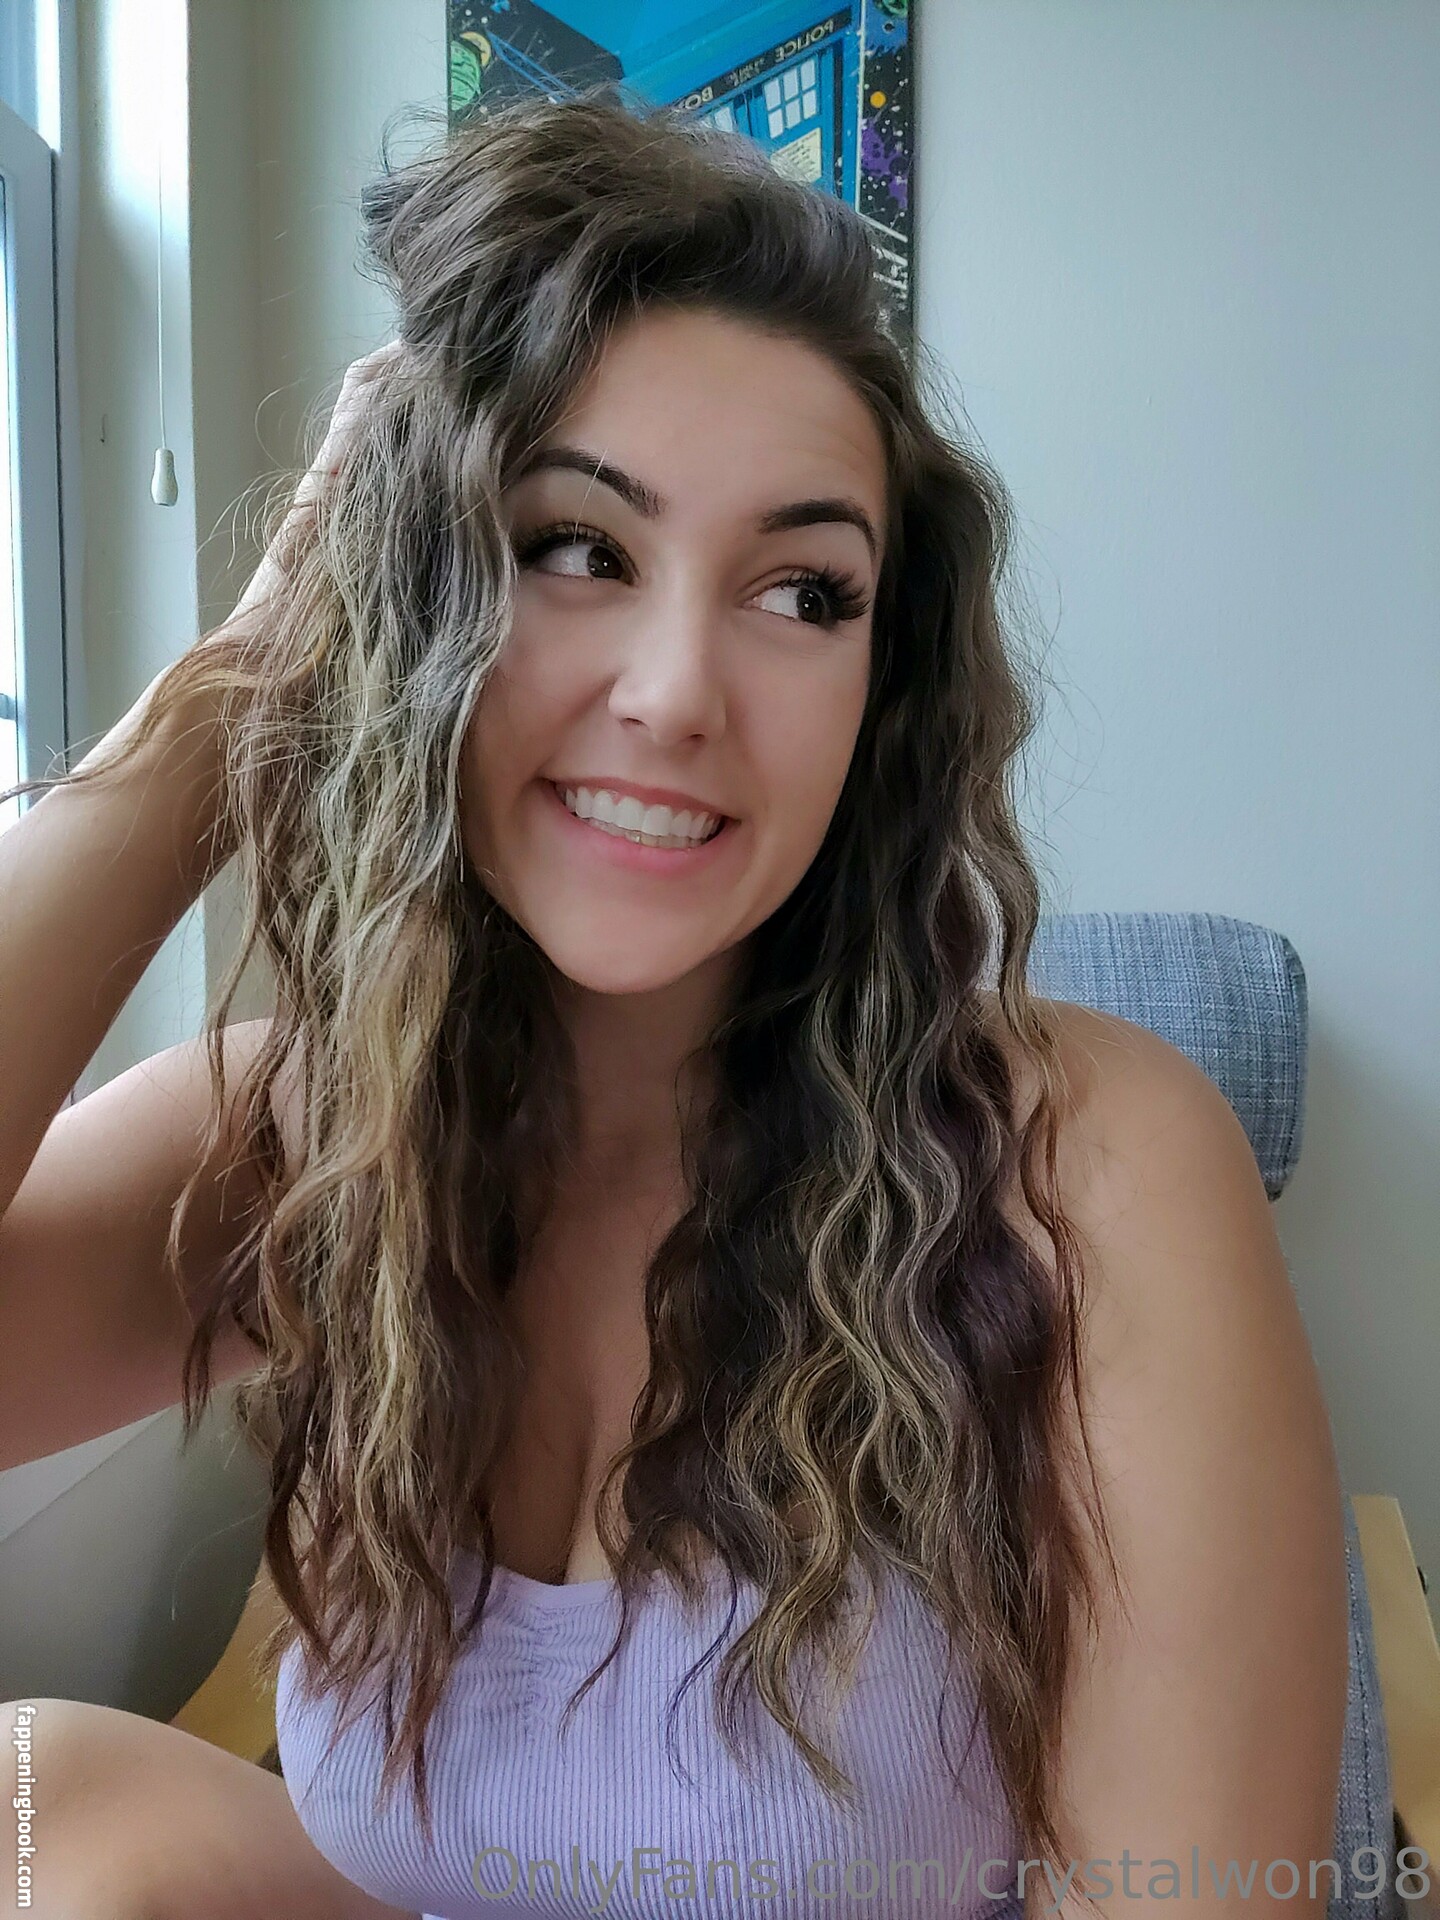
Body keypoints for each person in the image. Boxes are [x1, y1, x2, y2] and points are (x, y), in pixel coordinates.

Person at [0, 91, 1346, 1920]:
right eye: (577, 547)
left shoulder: (1080, 1174)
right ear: (414, 599)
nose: (676, 691)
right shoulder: (321, 1140)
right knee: (34, 1796)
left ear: (883, 684)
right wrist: (228, 708)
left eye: (803, 590)